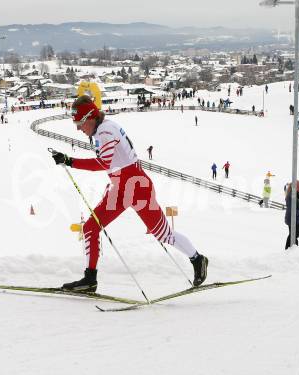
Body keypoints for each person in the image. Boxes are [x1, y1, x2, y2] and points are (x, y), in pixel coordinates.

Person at [50, 95, 208, 292]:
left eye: (80, 123)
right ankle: (89, 280)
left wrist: (70, 161)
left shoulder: (106, 131)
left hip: (138, 188)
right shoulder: (101, 129)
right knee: (91, 227)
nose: (78, 128)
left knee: (163, 234)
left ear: (90, 118)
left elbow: (102, 163)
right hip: (120, 189)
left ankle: (198, 259)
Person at [285, 181, 299, 249]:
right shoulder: (291, 195)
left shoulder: (293, 194)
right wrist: (297, 215)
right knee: (294, 234)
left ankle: (292, 247)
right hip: (293, 218)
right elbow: (291, 208)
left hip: (295, 218)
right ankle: (290, 248)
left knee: (295, 234)